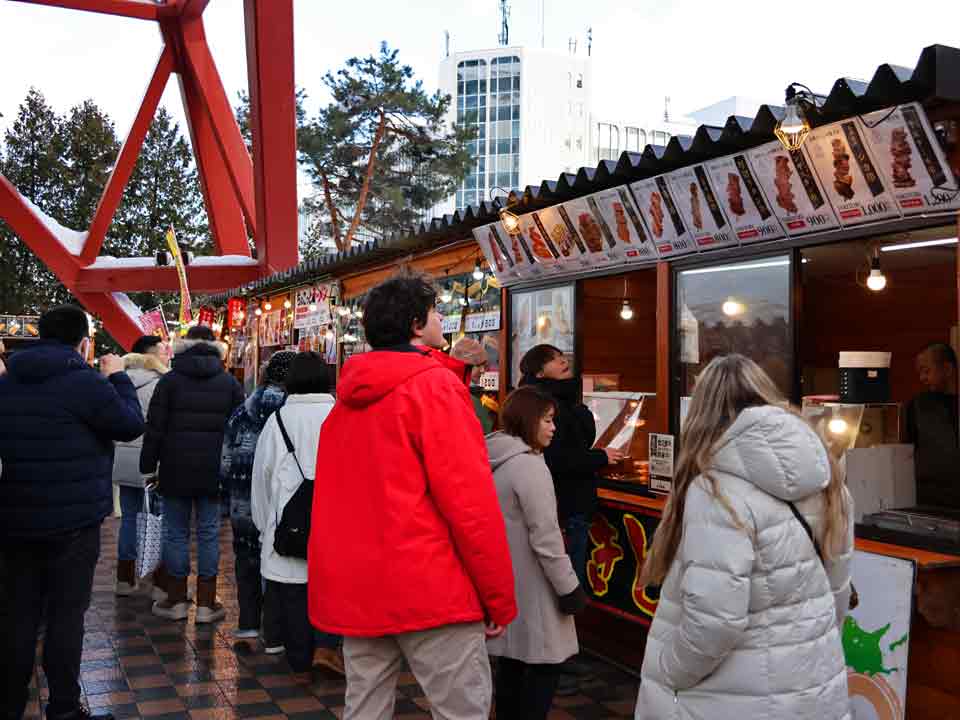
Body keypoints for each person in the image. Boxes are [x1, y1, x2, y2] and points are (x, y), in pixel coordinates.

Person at [308, 274, 517, 720]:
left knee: (364, 706)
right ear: (417, 324)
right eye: (436, 312)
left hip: (359, 587)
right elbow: (470, 504)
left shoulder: (344, 403)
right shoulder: (435, 389)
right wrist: (496, 595)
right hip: (431, 585)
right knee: (462, 709)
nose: (442, 318)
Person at [633, 354, 854, 720]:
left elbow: (714, 622)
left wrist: (667, 669)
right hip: (813, 687)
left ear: (701, 412)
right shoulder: (829, 480)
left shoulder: (716, 490)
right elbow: (838, 594)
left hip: (730, 698)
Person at [0, 305, 145, 720]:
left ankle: (9, 704)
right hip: (74, 524)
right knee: (66, 616)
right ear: (83, 341)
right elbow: (130, 424)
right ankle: (63, 708)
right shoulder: (86, 384)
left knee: (17, 615)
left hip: (13, 518)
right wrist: (117, 375)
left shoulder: (8, 383)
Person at [486, 387, 589, 720]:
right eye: (547, 420)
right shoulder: (530, 467)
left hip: (507, 582)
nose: (553, 427)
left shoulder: (495, 458)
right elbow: (546, 539)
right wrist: (569, 588)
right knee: (545, 668)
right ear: (529, 421)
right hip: (537, 587)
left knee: (512, 667)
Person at [141, 325, 244, 623]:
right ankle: (206, 604)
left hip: (175, 469)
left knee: (176, 532)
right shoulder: (229, 383)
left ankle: (175, 600)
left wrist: (148, 464)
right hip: (214, 471)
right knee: (210, 533)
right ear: (216, 348)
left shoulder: (170, 381)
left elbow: (155, 427)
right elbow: (237, 432)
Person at [252, 352, 343, 679]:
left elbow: (262, 477)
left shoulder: (277, 421)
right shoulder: (341, 416)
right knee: (331, 587)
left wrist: (265, 526)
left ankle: (300, 659)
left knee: (293, 592)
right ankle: (327, 648)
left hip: (288, 527)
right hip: (336, 524)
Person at [519, 345, 624, 586]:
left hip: (568, 505)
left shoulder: (563, 399)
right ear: (539, 372)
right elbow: (556, 459)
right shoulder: (541, 404)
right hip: (562, 506)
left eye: (561, 356)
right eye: (553, 359)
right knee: (565, 582)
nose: (562, 361)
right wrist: (600, 457)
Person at [221, 350, 294, 644]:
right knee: (281, 561)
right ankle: (277, 632)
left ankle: (249, 622)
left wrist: (227, 495)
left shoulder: (241, 412)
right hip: (282, 503)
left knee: (246, 560)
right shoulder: (292, 412)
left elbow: (225, 459)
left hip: (243, 501)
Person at [112, 335, 170, 597]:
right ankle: (157, 581)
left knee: (129, 518)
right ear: (150, 355)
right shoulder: (161, 383)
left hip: (123, 456)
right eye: (162, 350)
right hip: (152, 459)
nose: (166, 354)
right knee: (157, 518)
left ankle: (124, 579)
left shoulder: (118, 380)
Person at [906, 342, 960, 508]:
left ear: (948, 370)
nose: (922, 378)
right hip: (928, 499)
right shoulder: (917, 406)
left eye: (926, 371)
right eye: (920, 372)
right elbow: (908, 451)